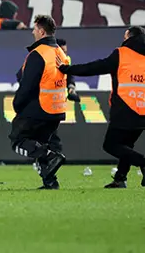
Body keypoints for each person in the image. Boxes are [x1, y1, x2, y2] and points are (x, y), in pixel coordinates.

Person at [59, 26, 145, 189]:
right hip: (143, 111)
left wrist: (68, 69)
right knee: (126, 146)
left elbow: (95, 67)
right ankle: (120, 179)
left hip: (125, 109)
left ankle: (143, 163)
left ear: (127, 36)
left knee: (111, 145)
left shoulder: (122, 53)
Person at [10, 14, 68, 187]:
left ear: (41, 31)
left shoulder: (39, 54)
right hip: (57, 107)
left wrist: (17, 104)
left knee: (18, 140)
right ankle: (50, 181)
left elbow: (27, 84)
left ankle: (51, 157)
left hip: (39, 106)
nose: (33, 32)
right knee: (41, 143)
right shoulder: (60, 52)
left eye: (34, 29)